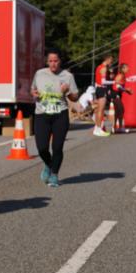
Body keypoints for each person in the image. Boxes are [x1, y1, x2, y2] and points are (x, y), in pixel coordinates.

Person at [31, 50, 80, 187]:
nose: (53, 64)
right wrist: (34, 93)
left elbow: (75, 97)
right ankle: (48, 164)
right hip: (42, 114)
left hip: (60, 115)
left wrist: (67, 91)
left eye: (56, 61)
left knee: (57, 147)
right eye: (51, 61)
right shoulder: (39, 74)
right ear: (47, 62)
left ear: (60, 61)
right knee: (42, 148)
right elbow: (33, 89)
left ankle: (54, 174)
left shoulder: (68, 76)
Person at [92, 54, 114, 137]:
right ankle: (98, 129)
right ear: (107, 59)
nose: (111, 62)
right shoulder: (104, 68)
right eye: (111, 60)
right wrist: (114, 82)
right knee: (101, 110)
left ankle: (97, 128)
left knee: (99, 110)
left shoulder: (99, 67)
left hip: (99, 89)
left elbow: (99, 80)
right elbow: (103, 81)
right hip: (102, 89)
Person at [110, 62, 133, 134]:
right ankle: (117, 127)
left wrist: (126, 91)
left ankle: (117, 127)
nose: (128, 69)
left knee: (118, 111)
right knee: (121, 110)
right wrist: (126, 90)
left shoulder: (123, 75)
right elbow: (116, 85)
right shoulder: (120, 76)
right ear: (123, 69)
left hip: (118, 94)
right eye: (127, 68)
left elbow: (119, 86)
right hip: (115, 94)